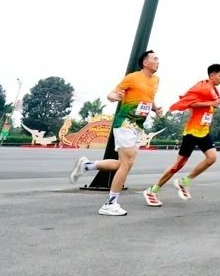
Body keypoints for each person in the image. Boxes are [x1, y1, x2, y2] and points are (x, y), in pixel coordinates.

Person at [69, 50, 165, 216]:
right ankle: (110, 203)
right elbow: (111, 94)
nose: (158, 61)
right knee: (127, 163)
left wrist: (155, 108)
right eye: (155, 59)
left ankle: (87, 166)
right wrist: (116, 97)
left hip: (137, 126)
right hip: (124, 124)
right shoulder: (133, 77)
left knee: (124, 164)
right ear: (145, 62)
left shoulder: (156, 80)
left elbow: (149, 96)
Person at [143, 63, 220, 206]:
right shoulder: (201, 87)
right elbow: (189, 103)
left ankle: (185, 181)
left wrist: (214, 102)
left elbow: (209, 105)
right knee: (178, 165)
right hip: (192, 132)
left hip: (204, 131)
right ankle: (152, 190)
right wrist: (211, 103)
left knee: (212, 158)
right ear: (212, 75)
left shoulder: (214, 91)